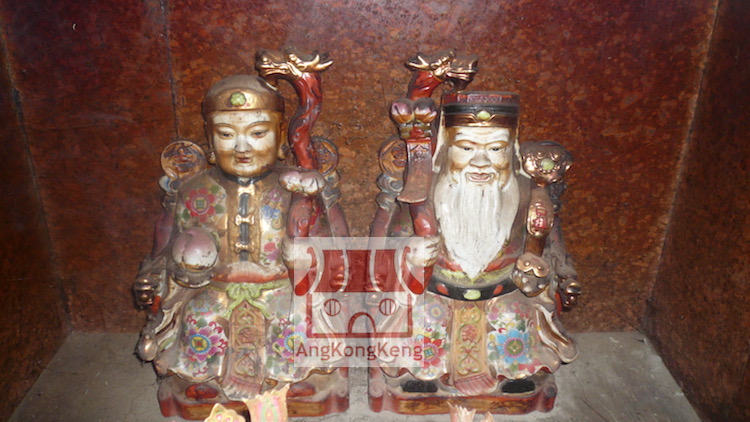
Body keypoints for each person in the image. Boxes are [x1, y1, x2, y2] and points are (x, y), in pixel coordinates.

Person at [134, 75, 346, 419]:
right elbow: (166, 251)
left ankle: (290, 380)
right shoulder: (194, 191)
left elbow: (330, 245)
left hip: (280, 287)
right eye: (226, 135)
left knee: (292, 319)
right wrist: (158, 273)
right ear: (210, 140)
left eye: (258, 133)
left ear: (280, 137)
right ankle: (204, 380)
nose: (242, 147)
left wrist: (313, 254)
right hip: (214, 288)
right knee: (201, 317)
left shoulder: (295, 190)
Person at [370, 91, 581, 414]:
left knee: (515, 320)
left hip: (504, 291)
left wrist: (549, 270)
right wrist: (411, 254)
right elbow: (396, 239)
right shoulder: (424, 192)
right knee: (424, 321)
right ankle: (424, 375)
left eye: (495, 149)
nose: (481, 162)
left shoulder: (527, 193)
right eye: (466, 148)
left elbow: (550, 242)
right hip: (437, 291)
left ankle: (512, 375)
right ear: (446, 149)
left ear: (511, 150)